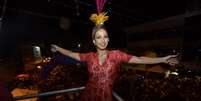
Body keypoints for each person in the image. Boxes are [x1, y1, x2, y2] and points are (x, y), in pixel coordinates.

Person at [50, 24, 178, 101]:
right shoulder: (89, 56)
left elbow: (139, 59)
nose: (102, 40)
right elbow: (71, 54)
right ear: (94, 41)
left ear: (108, 39)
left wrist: (162, 59)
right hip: (88, 95)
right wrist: (58, 48)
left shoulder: (116, 55)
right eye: (98, 37)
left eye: (105, 36)